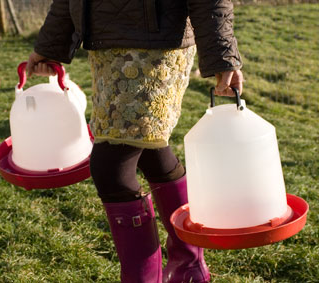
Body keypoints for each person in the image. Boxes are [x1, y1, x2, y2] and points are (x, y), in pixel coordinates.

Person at [27, 0, 243, 282]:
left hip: (156, 46)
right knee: (150, 150)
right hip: (106, 45)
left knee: (111, 167)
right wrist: (50, 46)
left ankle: (152, 275)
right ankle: (188, 267)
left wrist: (222, 55)